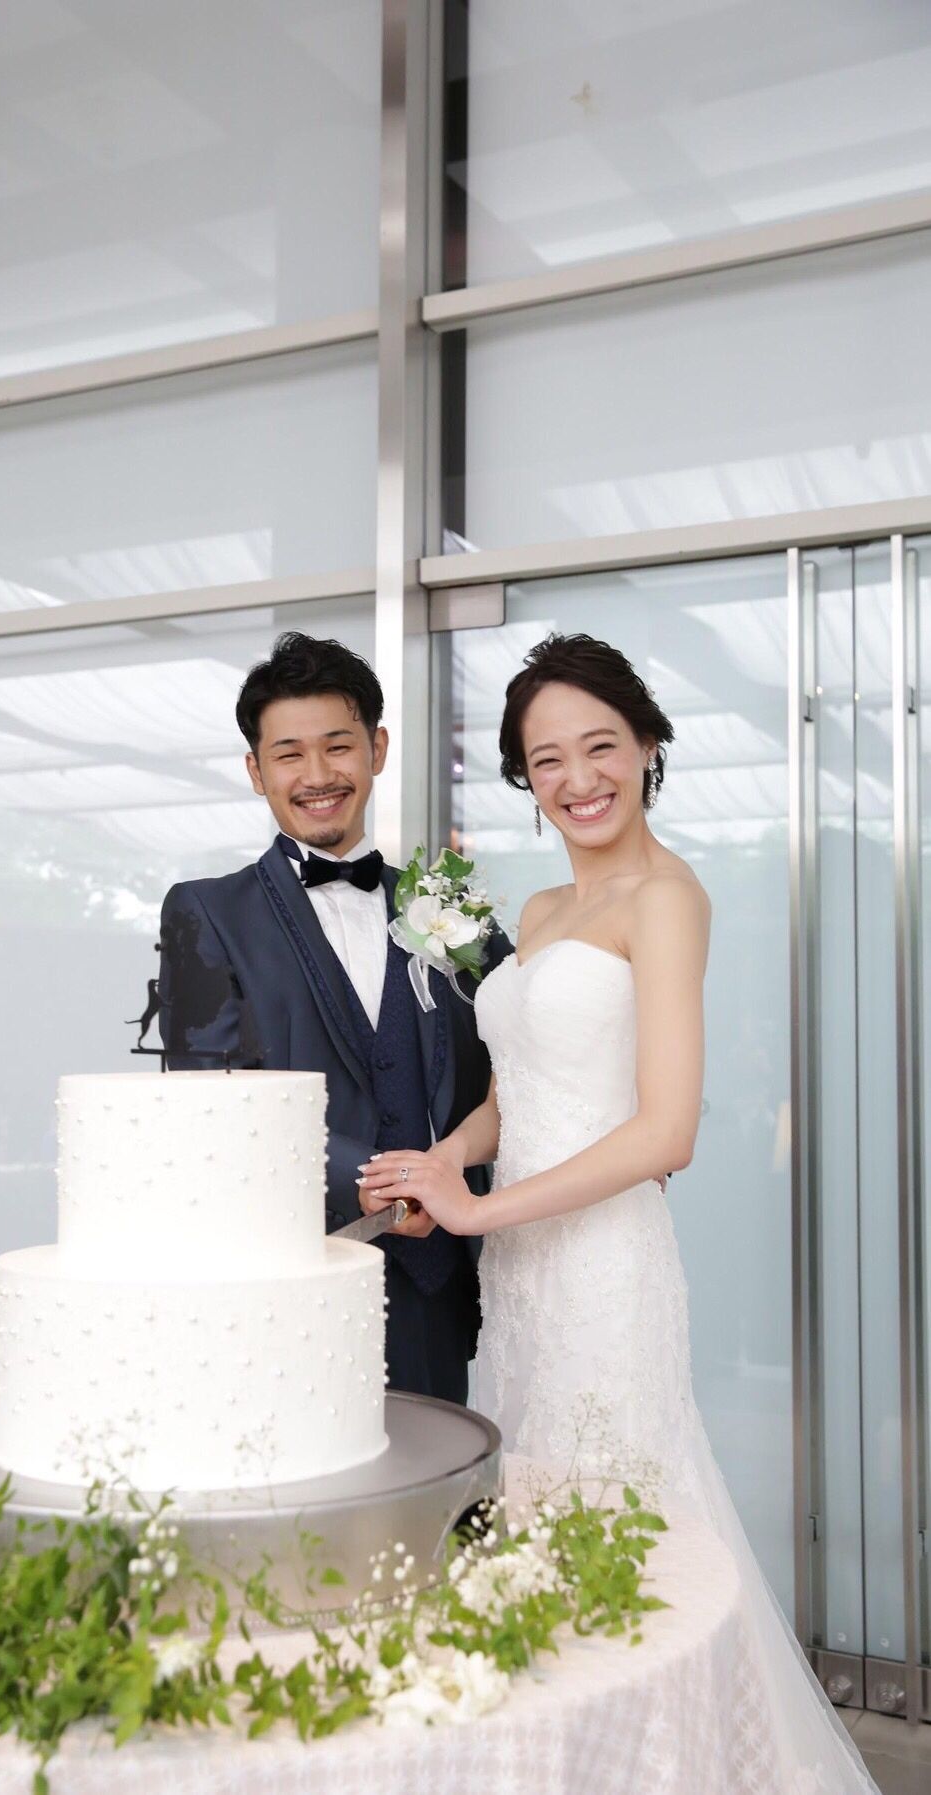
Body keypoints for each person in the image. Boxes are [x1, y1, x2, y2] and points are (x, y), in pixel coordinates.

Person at [359, 632, 877, 1791]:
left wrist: (475, 1212)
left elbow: (663, 1132)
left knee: (622, 1538)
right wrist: (440, 1160)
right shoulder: (541, 906)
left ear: (647, 745)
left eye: (599, 746)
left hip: (602, 1266)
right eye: (546, 758)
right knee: (538, 1526)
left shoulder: (666, 898)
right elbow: (518, 1095)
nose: (577, 778)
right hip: (523, 1272)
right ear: (524, 777)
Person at [157, 631, 511, 1404]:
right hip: (289, 1284)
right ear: (256, 771)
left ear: (377, 750)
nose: (318, 775)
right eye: (289, 754)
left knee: (441, 1474)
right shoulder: (207, 912)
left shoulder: (453, 911)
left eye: (338, 746)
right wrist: (374, 1182)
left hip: (438, 1288)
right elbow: (211, 1097)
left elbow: (526, 1058)